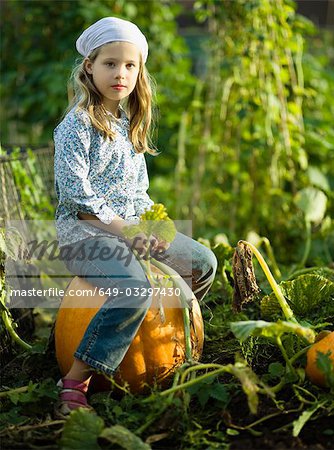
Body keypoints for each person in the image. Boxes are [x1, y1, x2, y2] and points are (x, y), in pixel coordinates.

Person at [53, 16, 217, 417]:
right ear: (89, 66)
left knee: (203, 263)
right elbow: (82, 202)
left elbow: (137, 194)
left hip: (130, 228)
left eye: (130, 66)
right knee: (133, 288)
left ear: (139, 70)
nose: (121, 74)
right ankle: (76, 377)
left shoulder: (128, 123)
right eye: (110, 63)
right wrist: (129, 233)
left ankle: (173, 337)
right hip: (86, 236)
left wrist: (154, 228)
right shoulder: (75, 127)